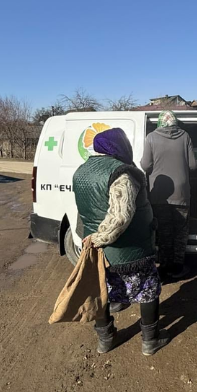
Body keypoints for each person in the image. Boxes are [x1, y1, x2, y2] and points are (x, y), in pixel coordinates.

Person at [75, 127, 169, 356]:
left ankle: (105, 340)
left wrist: (90, 240)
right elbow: (120, 217)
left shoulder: (81, 171)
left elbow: (85, 209)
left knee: (102, 292)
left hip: (97, 251)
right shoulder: (122, 174)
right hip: (130, 249)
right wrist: (101, 238)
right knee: (147, 290)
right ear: (118, 147)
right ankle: (150, 340)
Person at [139, 110, 195, 279]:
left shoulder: (151, 137)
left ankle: (164, 267)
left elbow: (145, 165)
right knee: (180, 231)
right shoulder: (185, 136)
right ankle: (177, 268)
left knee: (164, 231)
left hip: (160, 195)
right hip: (181, 192)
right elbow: (193, 165)